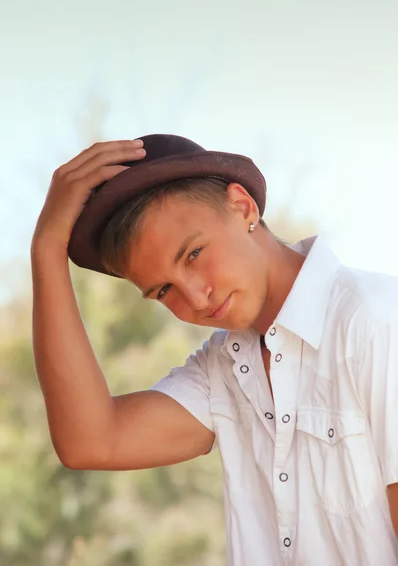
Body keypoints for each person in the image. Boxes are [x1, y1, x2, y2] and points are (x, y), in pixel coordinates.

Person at [31, 133, 398, 565]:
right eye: (164, 290)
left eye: (193, 254)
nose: (196, 297)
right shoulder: (222, 369)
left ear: (243, 207)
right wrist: (46, 250)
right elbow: (90, 441)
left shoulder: (375, 320)